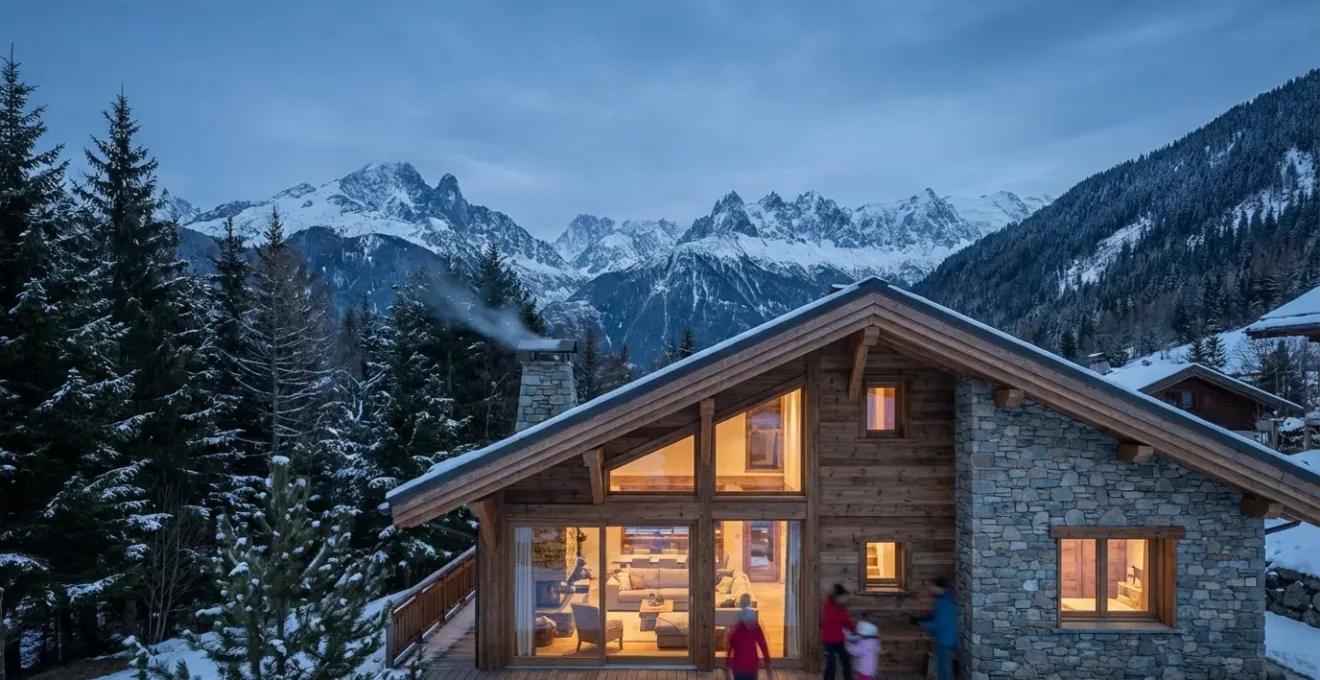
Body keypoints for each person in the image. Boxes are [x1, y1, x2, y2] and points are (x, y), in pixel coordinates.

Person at [913, 576, 957, 680]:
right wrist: (924, 619)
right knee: (942, 668)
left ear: (940, 588)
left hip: (945, 640)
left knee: (944, 669)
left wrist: (920, 623)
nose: (930, 589)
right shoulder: (943, 600)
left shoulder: (946, 603)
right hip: (943, 639)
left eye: (932, 586)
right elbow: (937, 617)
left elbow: (940, 624)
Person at [725, 599, 771, 680]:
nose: (751, 625)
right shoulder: (738, 630)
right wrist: (728, 665)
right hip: (743, 668)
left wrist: (767, 661)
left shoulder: (752, 628)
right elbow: (729, 648)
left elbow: (763, 644)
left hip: (747, 667)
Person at [821, 584, 855, 680]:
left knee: (846, 661)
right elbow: (836, 619)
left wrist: (854, 630)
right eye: (844, 597)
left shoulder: (843, 609)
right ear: (838, 596)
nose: (846, 600)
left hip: (841, 640)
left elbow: (847, 622)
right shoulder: (829, 606)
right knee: (831, 664)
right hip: (829, 640)